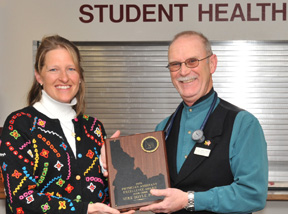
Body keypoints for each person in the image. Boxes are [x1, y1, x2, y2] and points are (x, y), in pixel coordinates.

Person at [0, 35, 134, 214]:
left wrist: (111, 173)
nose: (64, 78)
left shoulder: (93, 128)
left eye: (71, 69)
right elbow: (21, 199)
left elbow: (101, 196)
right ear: (39, 76)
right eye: (54, 69)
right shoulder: (20, 124)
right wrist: (84, 210)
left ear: (79, 76)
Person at [139, 31, 268, 214]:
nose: (184, 71)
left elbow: (252, 194)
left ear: (212, 63)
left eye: (192, 61)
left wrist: (190, 200)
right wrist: (111, 163)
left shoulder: (243, 124)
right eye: (175, 64)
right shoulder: (162, 129)